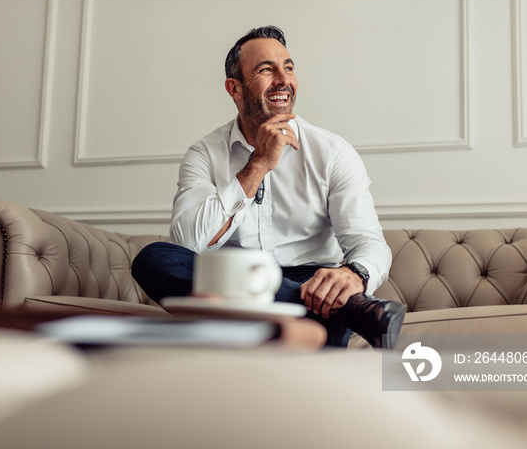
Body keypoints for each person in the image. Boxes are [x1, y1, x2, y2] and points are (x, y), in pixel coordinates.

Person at [132, 26, 406, 349]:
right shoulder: (204, 154)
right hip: (236, 278)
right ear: (234, 89)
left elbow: (369, 242)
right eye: (266, 69)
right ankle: (345, 313)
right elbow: (188, 241)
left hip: (312, 284)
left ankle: (303, 315)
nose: (283, 79)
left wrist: (354, 274)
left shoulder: (332, 152)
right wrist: (257, 165)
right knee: (151, 259)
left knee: (325, 294)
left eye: (288, 67)